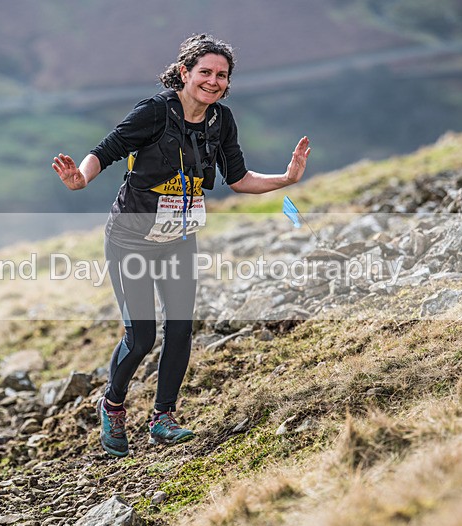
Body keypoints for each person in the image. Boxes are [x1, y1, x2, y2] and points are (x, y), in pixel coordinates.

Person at [52, 34, 310, 457]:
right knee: (141, 337)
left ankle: (163, 418)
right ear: (185, 72)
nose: (213, 81)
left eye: (221, 75)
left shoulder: (221, 121)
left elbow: (240, 179)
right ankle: (113, 405)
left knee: (179, 329)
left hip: (178, 239)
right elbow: (106, 150)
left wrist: (286, 180)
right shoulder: (155, 111)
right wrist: (81, 178)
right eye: (205, 72)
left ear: (227, 83)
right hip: (131, 238)